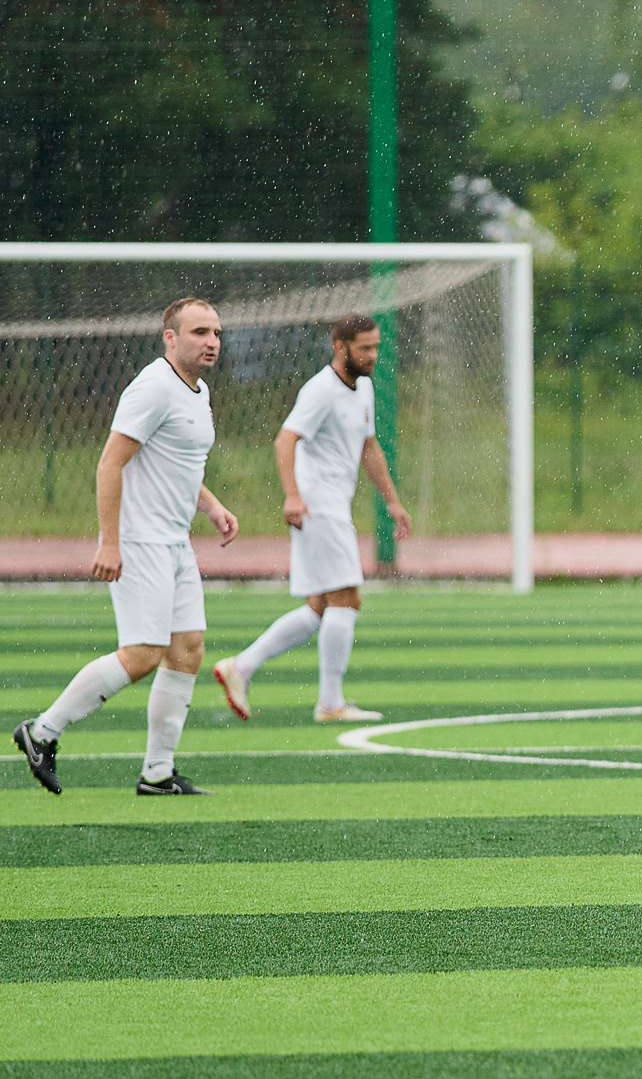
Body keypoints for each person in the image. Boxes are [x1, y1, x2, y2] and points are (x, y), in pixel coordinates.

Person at [15, 298, 240, 796]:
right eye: (200, 331)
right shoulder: (154, 386)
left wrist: (212, 507)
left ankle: (158, 773)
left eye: (217, 333)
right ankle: (42, 730)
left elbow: (177, 462)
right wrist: (110, 543)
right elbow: (109, 464)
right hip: (140, 542)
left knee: (187, 650)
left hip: (174, 542)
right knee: (142, 655)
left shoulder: (197, 391)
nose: (211, 341)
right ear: (170, 337)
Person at [212, 314, 412, 724]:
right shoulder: (320, 390)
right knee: (348, 598)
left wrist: (392, 501)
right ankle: (330, 704)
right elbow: (286, 440)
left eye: (376, 347)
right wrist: (293, 496)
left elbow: (368, 446)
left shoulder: (365, 388)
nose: (373, 355)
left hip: (334, 504)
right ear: (340, 347)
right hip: (319, 506)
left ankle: (241, 667)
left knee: (320, 606)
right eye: (364, 348)